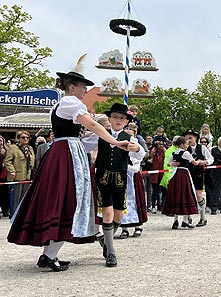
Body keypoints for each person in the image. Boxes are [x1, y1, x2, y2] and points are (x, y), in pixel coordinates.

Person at [7, 66, 129, 271]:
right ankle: (49, 255)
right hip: (67, 155)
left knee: (65, 201)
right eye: (83, 87)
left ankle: (49, 254)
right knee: (69, 201)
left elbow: (82, 135)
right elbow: (92, 125)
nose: (85, 91)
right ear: (72, 87)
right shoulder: (69, 102)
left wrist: (101, 140)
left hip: (66, 151)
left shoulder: (61, 105)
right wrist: (114, 142)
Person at [85, 103, 143, 267]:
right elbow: (84, 146)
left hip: (120, 180)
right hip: (103, 178)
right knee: (108, 213)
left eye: (122, 118)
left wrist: (137, 147)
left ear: (126, 121)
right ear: (109, 119)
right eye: (115, 117)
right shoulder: (100, 134)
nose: (118, 120)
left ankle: (106, 240)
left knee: (119, 215)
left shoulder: (130, 138)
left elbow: (141, 154)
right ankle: (111, 252)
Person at [162, 136, 199, 228]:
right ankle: (185, 220)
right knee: (186, 195)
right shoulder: (185, 153)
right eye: (186, 144)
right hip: (184, 175)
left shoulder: (174, 153)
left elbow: (168, 163)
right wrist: (202, 162)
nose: (188, 145)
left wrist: (174, 164)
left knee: (176, 195)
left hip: (175, 175)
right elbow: (194, 162)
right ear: (182, 145)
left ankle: (175, 220)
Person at [119, 124, 147, 238]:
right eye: (127, 129)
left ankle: (138, 226)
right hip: (122, 173)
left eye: (132, 130)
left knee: (136, 199)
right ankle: (124, 228)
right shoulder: (119, 141)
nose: (129, 131)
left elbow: (143, 154)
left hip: (133, 173)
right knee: (122, 200)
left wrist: (137, 148)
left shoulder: (137, 143)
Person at [184, 129, 213, 227]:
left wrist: (203, 162)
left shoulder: (202, 148)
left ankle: (203, 217)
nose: (188, 140)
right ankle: (188, 218)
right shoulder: (184, 149)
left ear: (195, 138)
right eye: (187, 138)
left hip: (198, 174)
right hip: (187, 174)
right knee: (187, 195)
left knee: (198, 196)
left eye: (190, 138)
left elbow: (211, 159)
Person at [4, 130, 35, 216]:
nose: (25, 139)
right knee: (16, 197)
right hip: (17, 176)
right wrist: (12, 170)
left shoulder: (30, 148)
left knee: (24, 197)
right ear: (18, 139)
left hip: (27, 176)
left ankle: (21, 213)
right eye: (23, 137)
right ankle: (14, 214)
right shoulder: (13, 148)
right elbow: (7, 161)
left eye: (27, 137)